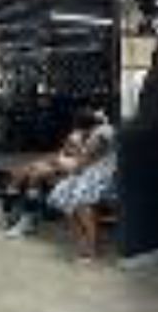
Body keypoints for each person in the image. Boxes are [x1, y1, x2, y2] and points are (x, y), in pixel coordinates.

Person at [4, 107, 98, 238]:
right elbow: (63, 152)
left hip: (72, 168)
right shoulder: (75, 135)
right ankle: (10, 216)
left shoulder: (95, 139)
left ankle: (28, 221)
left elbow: (82, 161)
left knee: (35, 176)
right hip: (61, 162)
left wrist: (61, 162)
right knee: (19, 173)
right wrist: (47, 160)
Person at [48, 111, 117, 261]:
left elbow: (84, 161)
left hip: (103, 177)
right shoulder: (97, 133)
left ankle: (92, 247)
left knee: (80, 202)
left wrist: (65, 164)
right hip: (90, 174)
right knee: (63, 195)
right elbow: (82, 160)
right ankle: (82, 241)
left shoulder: (102, 134)